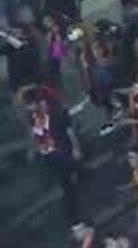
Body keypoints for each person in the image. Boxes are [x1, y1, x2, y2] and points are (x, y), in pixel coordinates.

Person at [22, 85, 83, 222]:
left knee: (67, 181)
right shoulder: (33, 117)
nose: (28, 108)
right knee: (63, 179)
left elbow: (68, 131)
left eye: (29, 105)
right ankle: (69, 196)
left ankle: (72, 210)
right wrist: (36, 147)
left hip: (62, 150)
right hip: (49, 153)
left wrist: (75, 148)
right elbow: (36, 133)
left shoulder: (56, 113)